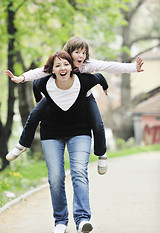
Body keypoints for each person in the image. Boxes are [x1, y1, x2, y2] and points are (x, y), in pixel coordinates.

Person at [5, 36, 144, 175]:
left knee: (97, 123)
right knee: (35, 114)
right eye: (77, 52)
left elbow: (109, 66)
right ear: (69, 52)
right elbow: (39, 72)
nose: (81, 56)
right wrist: (21, 78)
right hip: (58, 95)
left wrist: (133, 68)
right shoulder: (61, 63)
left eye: (84, 53)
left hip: (84, 97)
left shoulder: (87, 65)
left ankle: (102, 154)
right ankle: (22, 145)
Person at [8, 50, 109, 233]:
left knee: (79, 171)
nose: (62, 68)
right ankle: (60, 220)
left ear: (72, 67)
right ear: (51, 70)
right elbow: (35, 84)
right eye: (57, 65)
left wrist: (108, 85)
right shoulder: (44, 82)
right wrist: (37, 97)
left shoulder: (84, 81)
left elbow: (101, 76)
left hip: (80, 130)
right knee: (55, 177)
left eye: (66, 64)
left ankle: (83, 219)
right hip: (51, 131)